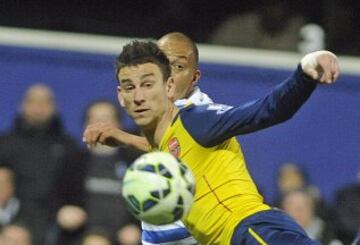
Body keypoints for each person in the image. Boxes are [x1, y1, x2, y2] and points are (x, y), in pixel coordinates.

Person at [83, 40, 339, 244]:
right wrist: (122, 138)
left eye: (148, 84)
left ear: (169, 86)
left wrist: (304, 73)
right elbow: (174, 149)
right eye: (129, 87)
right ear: (120, 96)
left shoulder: (197, 119)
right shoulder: (166, 141)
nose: (139, 97)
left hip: (251, 231)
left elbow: (266, 110)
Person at [84, 32, 211, 245]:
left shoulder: (202, 113)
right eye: (161, 63)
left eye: (178, 66)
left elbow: (176, 147)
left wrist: (123, 137)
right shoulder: (154, 113)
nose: (168, 72)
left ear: (194, 77)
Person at [0, 84, 86, 245]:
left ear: (54, 107)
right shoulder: (4, 144)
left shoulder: (69, 147)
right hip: (12, 219)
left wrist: (72, 208)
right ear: (22, 105)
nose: (38, 107)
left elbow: (77, 189)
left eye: (44, 102)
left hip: (55, 221)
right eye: (33, 101)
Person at [82, 100, 141, 245]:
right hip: (83, 233)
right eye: (95, 119)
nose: (100, 125)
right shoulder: (73, 161)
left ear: (119, 125)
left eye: (106, 119)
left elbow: (149, 201)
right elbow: (57, 199)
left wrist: (137, 226)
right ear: (85, 125)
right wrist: (65, 210)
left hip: (126, 235)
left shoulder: (136, 162)